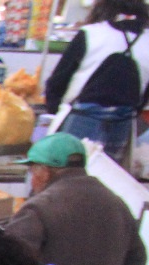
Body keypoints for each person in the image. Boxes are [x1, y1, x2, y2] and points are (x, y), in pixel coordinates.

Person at [5, 132, 147, 265]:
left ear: (45, 172)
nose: (32, 181)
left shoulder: (39, 208)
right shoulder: (116, 204)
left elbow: (6, 264)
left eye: (32, 172)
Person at [45, 0, 149, 161]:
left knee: (68, 171)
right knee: (106, 176)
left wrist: (55, 109)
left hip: (81, 116)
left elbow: (58, 80)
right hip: (123, 120)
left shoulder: (91, 33)